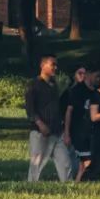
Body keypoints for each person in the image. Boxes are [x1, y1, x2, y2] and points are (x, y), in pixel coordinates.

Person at [25, 53, 74, 183]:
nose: (55, 68)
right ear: (43, 65)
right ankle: (32, 186)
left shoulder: (54, 85)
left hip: (56, 131)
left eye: (56, 65)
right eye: (52, 64)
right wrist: (40, 124)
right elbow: (30, 109)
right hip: (40, 132)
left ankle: (69, 186)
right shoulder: (33, 85)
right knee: (37, 163)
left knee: (65, 162)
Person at [62, 64, 98, 181]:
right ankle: (78, 180)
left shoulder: (93, 91)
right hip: (76, 130)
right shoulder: (70, 92)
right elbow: (66, 111)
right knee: (80, 160)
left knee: (86, 160)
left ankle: (78, 181)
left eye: (84, 73)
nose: (82, 76)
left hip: (89, 131)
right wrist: (66, 132)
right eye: (79, 73)